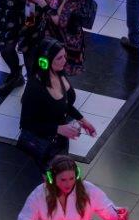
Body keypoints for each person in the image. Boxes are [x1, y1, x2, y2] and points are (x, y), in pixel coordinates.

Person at [15, 153, 128, 220]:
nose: (68, 184)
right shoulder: (40, 193)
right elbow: (26, 218)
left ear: (77, 175)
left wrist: (117, 214)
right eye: (63, 179)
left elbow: (105, 207)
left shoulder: (88, 190)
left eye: (71, 178)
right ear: (52, 178)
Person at [18, 39, 96, 170]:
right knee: (53, 174)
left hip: (60, 138)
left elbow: (64, 104)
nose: (64, 61)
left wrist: (82, 120)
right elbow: (26, 124)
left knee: (62, 171)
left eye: (64, 56)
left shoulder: (58, 71)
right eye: (59, 58)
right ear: (45, 61)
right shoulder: (35, 88)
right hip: (44, 142)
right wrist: (58, 129)